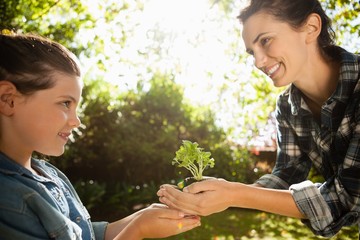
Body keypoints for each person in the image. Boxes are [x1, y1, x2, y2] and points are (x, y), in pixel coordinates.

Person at [157, 0, 360, 238]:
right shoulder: (287, 107)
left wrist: (235, 193)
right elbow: (286, 174)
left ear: (311, 27)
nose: (259, 62)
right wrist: (220, 193)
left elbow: (347, 197)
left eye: (265, 40)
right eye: (252, 52)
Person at [0, 31, 201, 240]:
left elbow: (85, 234)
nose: (76, 120)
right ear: (8, 100)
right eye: (65, 103)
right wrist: (138, 230)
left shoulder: (49, 174)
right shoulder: (7, 198)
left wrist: (139, 218)